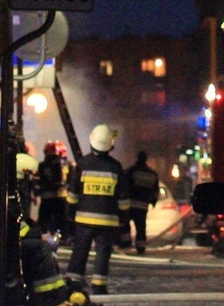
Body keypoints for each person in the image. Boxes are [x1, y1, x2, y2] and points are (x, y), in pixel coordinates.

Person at [65, 124, 130, 296]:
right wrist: (124, 217)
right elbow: (122, 197)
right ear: (110, 144)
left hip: (84, 219)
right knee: (103, 252)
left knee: (80, 250)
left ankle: (74, 281)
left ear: (92, 141)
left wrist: (70, 214)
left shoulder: (82, 164)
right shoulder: (115, 167)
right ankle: (99, 285)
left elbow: (72, 193)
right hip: (107, 220)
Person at [119, 151, 159, 254]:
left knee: (125, 224)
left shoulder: (131, 171)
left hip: (130, 204)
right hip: (143, 205)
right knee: (141, 227)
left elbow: (124, 185)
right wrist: (152, 202)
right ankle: (141, 247)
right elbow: (155, 191)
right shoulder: (152, 174)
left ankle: (125, 243)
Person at [37, 140, 68, 236]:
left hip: (46, 196)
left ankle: (43, 235)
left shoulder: (42, 165)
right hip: (61, 196)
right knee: (60, 219)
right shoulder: (65, 164)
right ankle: (62, 236)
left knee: (44, 219)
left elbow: (41, 179)